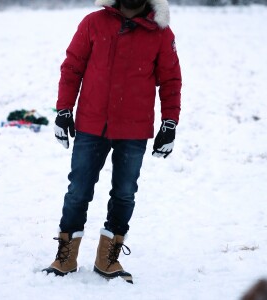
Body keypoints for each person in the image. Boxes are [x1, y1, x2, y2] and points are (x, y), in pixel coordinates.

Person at [43, 0, 181, 284]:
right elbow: (72, 67)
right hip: (92, 125)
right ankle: (66, 256)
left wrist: (170, 123)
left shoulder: (160, 33)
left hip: (134, 130)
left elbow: (170, 81)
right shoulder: (93, 23)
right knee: (78, 191)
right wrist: (64, 109)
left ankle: (108, 258)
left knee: (125, 193)